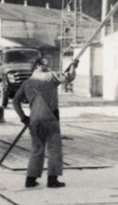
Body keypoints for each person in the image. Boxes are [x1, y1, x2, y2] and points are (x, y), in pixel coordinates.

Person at [13, 54, 78, 189]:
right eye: (45, 64)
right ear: (40, 65)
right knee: (54, 149)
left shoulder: (27, 82)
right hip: (50, 118)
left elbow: (15, 101)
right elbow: (70, 77)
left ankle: (30, 180)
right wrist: (73, 66)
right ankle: (52, 180)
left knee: (37, 148)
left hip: (34, 119)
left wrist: (23, 117)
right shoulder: (51, 76)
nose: (47, 66)